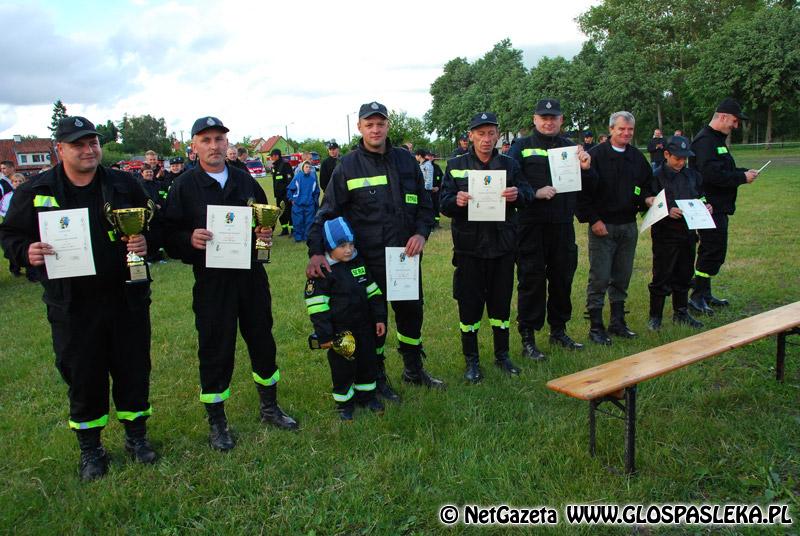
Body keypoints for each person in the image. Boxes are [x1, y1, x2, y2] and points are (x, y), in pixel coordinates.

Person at [0, 116, 157, 481]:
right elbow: (10, 235)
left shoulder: (124, 184)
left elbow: (155, 223)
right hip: (72, 304)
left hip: (126, 298)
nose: (88, 150)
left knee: (134, 369)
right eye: (78, 144)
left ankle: (137, 437)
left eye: (93, 143)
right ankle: (91, 449)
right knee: (83, 375)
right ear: (60, 149)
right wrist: (26, 252)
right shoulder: (36, 190)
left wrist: (146, 241)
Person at [162, 116, 298, 452]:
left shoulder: (244, 180)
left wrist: (264, 233)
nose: (214, 146)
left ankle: (269, 407)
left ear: (227, 143)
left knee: (262, 340)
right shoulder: (184, 186)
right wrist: (188, 239)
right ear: (194, 146)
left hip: (251, 277)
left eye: (219, 139)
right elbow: (166, 234)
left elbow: (262, 220)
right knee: (215, 348)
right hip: (212, 283)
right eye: (206, 140)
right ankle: (217, 422)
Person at [306, 101, 444, 401]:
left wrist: (421, 233)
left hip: (405, 258)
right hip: (369, 261)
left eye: (380, 123)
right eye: (369, 124)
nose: (375, 129)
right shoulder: (347, 166)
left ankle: (413, 369)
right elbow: (327, 212)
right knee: (372, 322)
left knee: (411, 316)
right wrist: (316, 251)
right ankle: (376, 376)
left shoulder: (406, 161)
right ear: (360, 127)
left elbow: (425, 205)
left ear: (388, 125)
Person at [440, 112, 533, 382]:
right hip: (468, 249)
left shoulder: (509, 164)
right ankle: (472, 361)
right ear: (471, 136)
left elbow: (528, 194)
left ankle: (502, 355)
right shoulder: (456, 165)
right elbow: (443, 203)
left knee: (500, 305)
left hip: (502, 247)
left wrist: (517, 195)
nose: (486, 139)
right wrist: (455, 200)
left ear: (498, 135)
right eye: (480, 134)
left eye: (491, 133)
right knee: (469, 307)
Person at [509, 99, 593, 360]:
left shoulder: (571, 148)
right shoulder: (521, 147)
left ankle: (559, 330)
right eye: (543, 117)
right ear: (535, 119)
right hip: (530, 225)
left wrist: (586, 168)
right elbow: (511, 179)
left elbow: (589, 186)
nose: (548, 122)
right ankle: (528, 337)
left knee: (562, 279)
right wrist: (534, 192)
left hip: (562, 224)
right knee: (531, 280)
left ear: (561, 120)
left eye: (553, 118)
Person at [577, 111, 651, 345]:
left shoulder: (637, 157)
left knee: (622, 275)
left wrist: (647, 199)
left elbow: (647, 185)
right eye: (621, 129)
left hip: (628, 225)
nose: (626, 133)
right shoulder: (595, 155)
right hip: (603, 226)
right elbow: (582, 193)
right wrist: (593, 220)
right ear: (611, 130)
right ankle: (596, 327)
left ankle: (618, 322)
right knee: (600, 277)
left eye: (630, 129)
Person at [305, 217, 387, 419]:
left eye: (351, 244)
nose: (349, 250)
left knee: (367, 362)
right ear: (329, 246)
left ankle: (367, 397)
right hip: (340, 333)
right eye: (342, 246)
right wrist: (325, 336)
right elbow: (317, 307)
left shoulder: (359, 264)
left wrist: (379, 318)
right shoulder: (323, 273)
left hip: (365, 327)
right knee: (342, 368)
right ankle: (344, 403)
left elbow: (373, 292)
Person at [689, 98, 759, 314]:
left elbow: (723, 169)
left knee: (715, 250)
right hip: (708, 207)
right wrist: (741, 178)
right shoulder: (705, 141)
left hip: (719, 206)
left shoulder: (716, 140)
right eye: (734, 121)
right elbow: (711, 175)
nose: (735, 126)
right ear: (722, 116)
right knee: (711, 250)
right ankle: (697, 297)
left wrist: (743, 172)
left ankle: (705, 293)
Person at [643, 136, 708, 330]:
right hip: (665, 235)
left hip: (688, 234)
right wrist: (667, 210)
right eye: (677, 158)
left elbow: (701, 196)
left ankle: (681, 312)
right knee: (662, 275)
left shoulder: (693, 176)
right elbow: (648, 202)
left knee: (684, 273)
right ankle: (655, 316)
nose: (681, 162)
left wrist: (706, 206)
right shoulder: (656, 176)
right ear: (666, 154)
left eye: (684, 158)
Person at [287, 160, 320, 243]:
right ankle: (298, 237)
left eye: (309, 167)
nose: (308, 168)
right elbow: (290, 189)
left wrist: (314, 201)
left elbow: (316, 191)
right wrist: (291, 199)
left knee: (309, 222)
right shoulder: (297, 177)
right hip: (298, 204)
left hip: (309, 204)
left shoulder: (313, 179)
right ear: (302, 168)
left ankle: (307, 237)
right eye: (306, 167)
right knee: (298, 221)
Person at [269, 149, 294, 236]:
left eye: (272, 156)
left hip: (286, 194)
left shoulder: (285, 164)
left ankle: (293, 230)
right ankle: (284, 229)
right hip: (278, 195)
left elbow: (290, 180)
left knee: (288, 211)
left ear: (276, 156)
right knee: (281, 212)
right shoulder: (274, 166)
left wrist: (288, 193)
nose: (271, 158)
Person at [426, 151, 443, 228]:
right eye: (429, 156)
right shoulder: (423, 166)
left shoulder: (437, 167)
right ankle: (429, 223)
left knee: (436, 206)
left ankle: (436, 223)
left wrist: (438, 187)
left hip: (436, 191)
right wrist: (429, 188)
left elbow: (442, 179)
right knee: (428, 207)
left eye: (432, 156)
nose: (431, 157)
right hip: (427, 191)